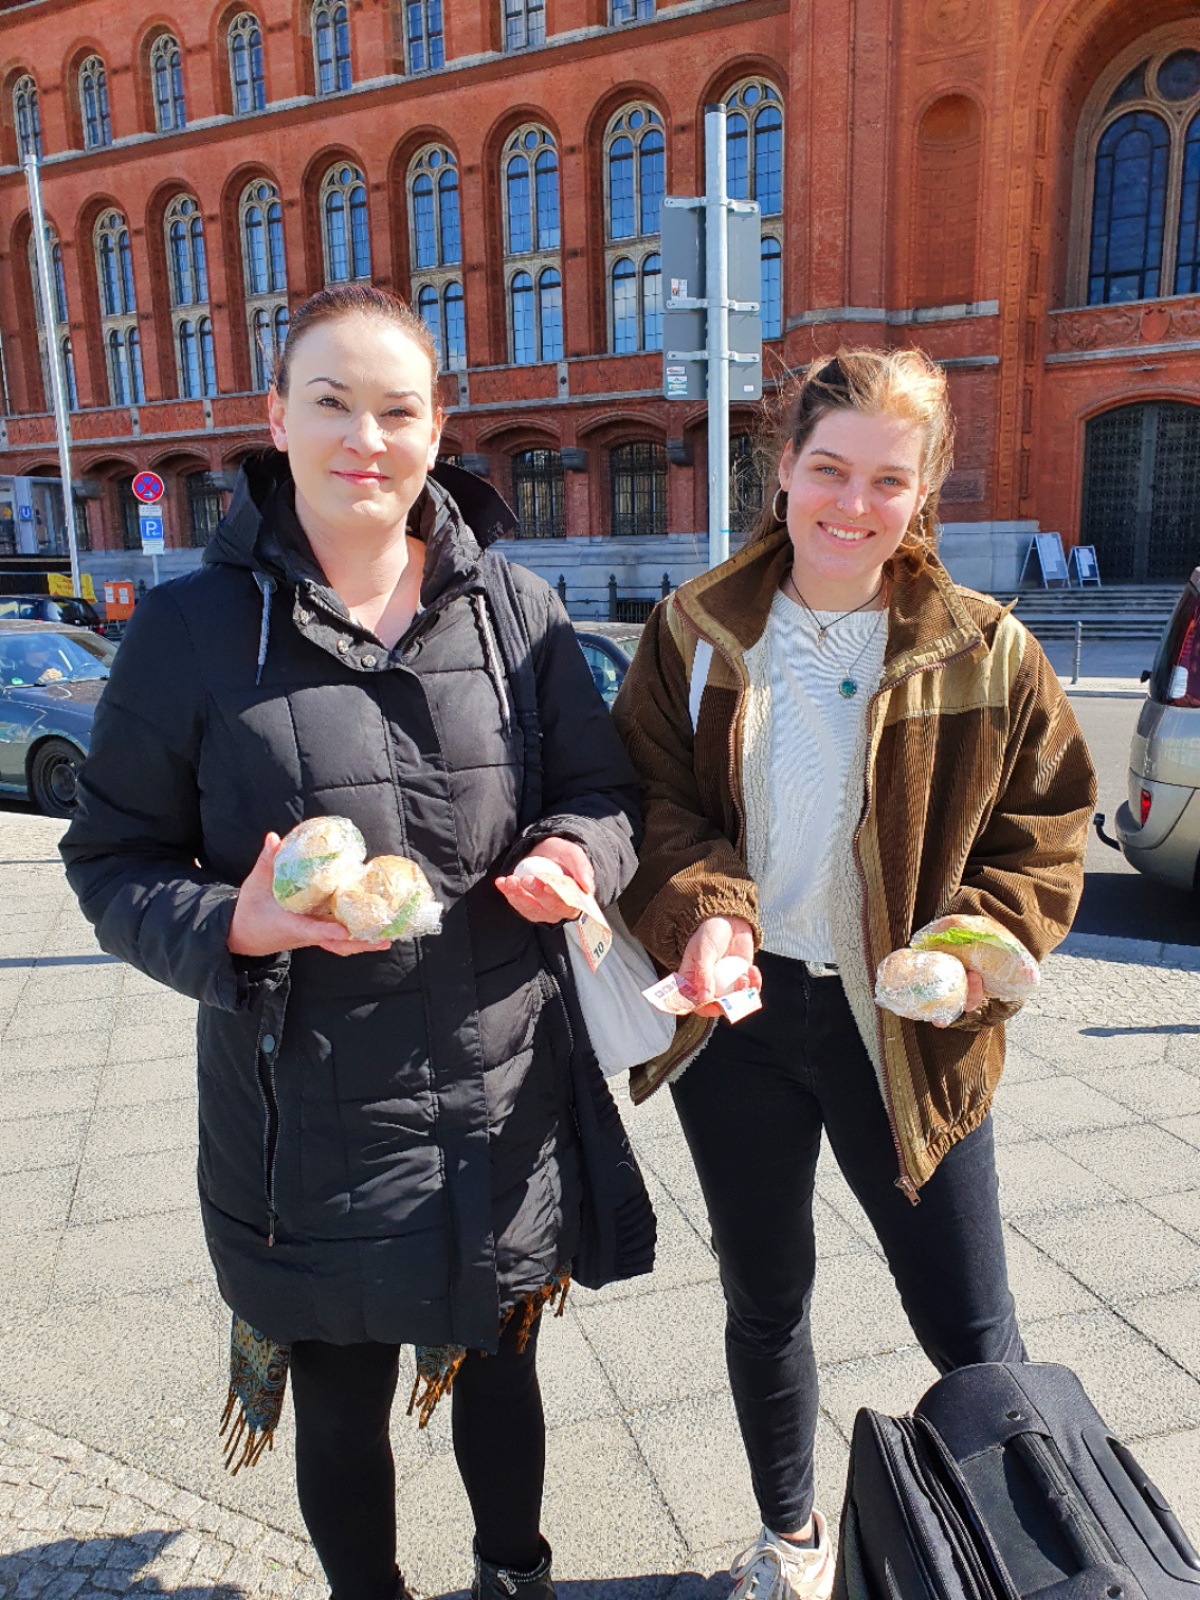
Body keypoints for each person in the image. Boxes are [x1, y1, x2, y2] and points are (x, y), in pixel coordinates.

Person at [61, 284, 652, 1600]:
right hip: (304, 1117)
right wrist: (233, 923)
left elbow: (605, 793)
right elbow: (108, 860)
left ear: (439, 430)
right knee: (340, 1400)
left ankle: (516, 1575)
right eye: (331, 402)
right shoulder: (190, 632)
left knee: (504, 1372)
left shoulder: (515, 612)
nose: (364, 438)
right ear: (275, 418)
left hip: (501, 1092)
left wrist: (574, 855)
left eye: (398, 410)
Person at [612, 350, 1096, 1600]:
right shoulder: (697, 630)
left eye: (889, 478)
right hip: (742, 1016)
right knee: (765, 1297)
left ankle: (1042, 1561)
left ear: (925, 488)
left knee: (973, 1328)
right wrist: (704, 915)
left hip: (909, 1030)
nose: (854, 503)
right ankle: (792, 1542)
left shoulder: (984, 650)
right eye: (829, 468)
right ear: (783, 467)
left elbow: (1044, 833)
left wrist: (972, 948)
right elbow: (652, 802)